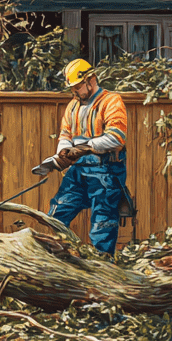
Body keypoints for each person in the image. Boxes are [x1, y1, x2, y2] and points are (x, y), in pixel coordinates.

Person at [47, 59, 129, 255]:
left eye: (77, 87)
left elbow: (117, 138)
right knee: (58, 212)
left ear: (90, 80)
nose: (75, 92)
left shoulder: (111, 101)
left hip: (105, 171)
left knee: (103, 224)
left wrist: (85, 148)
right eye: (72, 88)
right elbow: (65, 135)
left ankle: (104, 264)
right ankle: (60, 257)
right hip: (77, 170)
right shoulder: (72, 106)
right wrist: (64, 152)